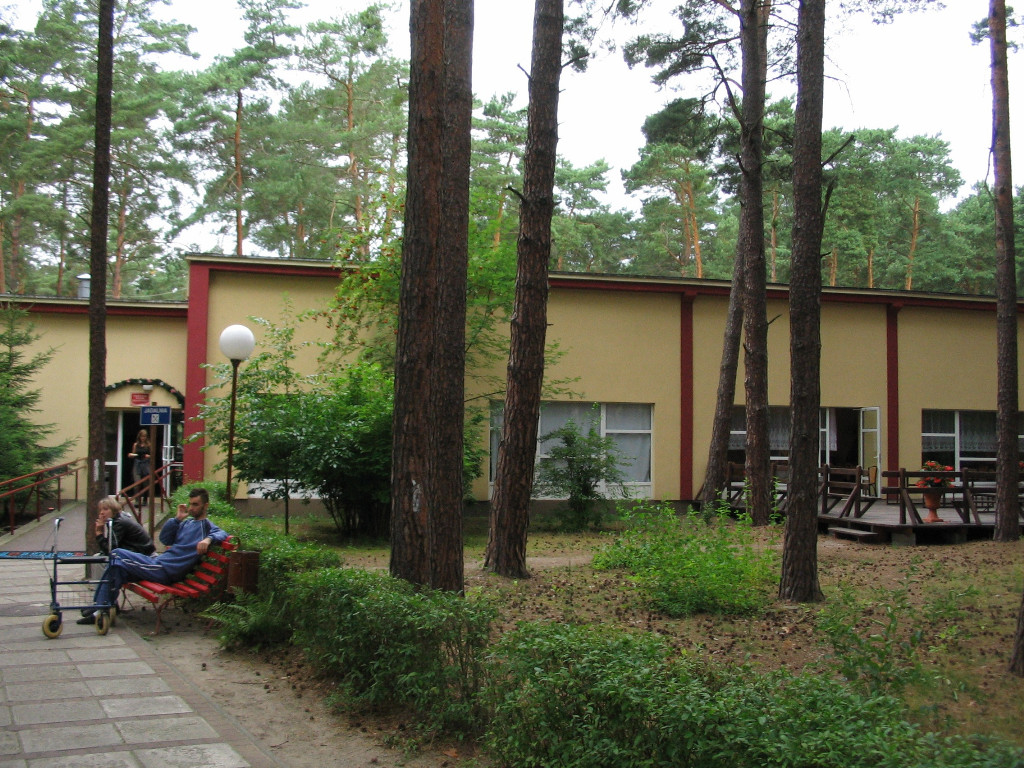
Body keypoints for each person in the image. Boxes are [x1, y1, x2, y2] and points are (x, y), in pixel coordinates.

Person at [79, 487, 228, 624]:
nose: (191, 508)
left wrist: (208, 539)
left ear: (205, 506)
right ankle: (99, 611)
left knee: (117, 554)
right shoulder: (186, 523)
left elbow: (222, 533)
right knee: (117, 569)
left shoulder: (206, 526)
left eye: (195, 504)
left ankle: (98, 609)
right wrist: (177, 519)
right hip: (158, 563)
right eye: (190, 504)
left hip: (166, 570)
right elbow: (165, 539)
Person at [129, 429, 152, 504]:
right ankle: (137, 501)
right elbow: (133, 454)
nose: (143, 438)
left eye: (144, 436)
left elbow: (152, 455)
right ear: (139, 437)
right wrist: (132, 455)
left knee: (146, 483)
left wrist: (148, 456)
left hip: (145, 463)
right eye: (142, 436)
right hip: (137, 463)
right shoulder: (136, 445)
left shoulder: (148, 445)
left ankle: (145, 499)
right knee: (137, 483)